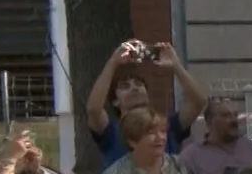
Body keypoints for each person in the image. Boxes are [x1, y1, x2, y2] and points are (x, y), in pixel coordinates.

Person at [85, 39, 208, 167]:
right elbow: (94, 110)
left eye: (139, 84)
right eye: (125, 86)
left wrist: (176, 66)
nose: (134, 88)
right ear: (115, 101)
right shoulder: (111, 132)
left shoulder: (168, 126)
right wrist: (113, 63)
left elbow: (199, 101)